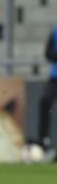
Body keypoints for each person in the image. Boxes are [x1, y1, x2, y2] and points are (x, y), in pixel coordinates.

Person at [36, 25, 57, 161]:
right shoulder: (55, 31)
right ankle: (44, 140)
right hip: (54, 76)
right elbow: (48, 53)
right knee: (44, 101)